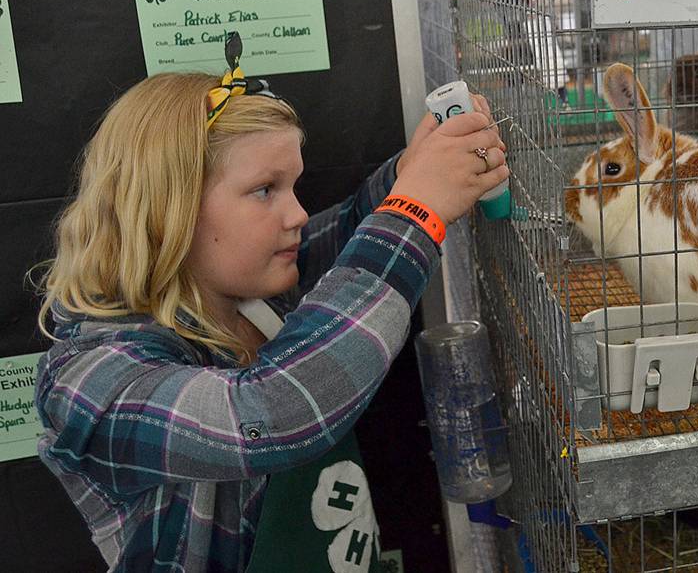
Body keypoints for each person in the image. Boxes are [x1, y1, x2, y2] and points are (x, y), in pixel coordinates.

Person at [31, 33, 508, 572]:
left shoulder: (250, 298)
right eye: (265, 190)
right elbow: (276, 409)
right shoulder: (93, 381)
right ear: (170, 208)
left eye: (294, 187)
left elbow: (351, 240)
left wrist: (415, 171)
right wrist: (417, 207)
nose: (297, 214)